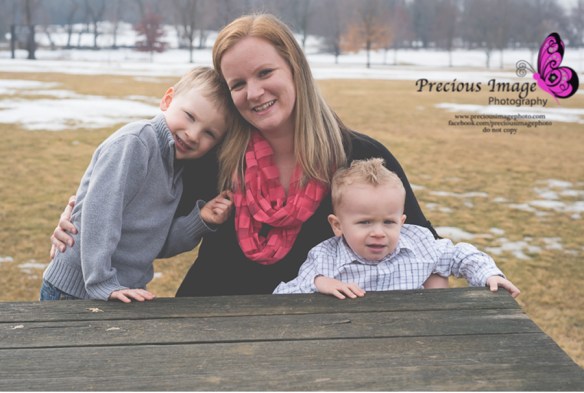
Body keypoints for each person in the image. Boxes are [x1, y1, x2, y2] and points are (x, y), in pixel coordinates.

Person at [50, 13, 447, 297]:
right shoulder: (213, 154)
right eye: (237, 83)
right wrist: (77, 217)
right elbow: (138, 211)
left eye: (264, 73)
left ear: (295, 68)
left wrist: (428, 319)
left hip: (321, 330)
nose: (253, 93)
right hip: (208, 324)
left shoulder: (360, 156)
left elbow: (426, 247)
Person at [42, 67, 233, 302]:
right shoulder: (136, 143)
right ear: (167, 100)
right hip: (76, 291)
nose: (193, 134)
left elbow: (153, 244)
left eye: (209, 134)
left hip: (120, 292)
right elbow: (99, 216)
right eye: (190, 116)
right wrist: (103, 283)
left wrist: (199, 220)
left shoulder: (176, 170)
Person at [274, 159, 520, 299]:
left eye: (389, 222)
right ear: (338, 226)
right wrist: (319, 282)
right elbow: (281, 296)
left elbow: (460, 255)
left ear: (401, 222)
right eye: (365, 222)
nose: (379, 232)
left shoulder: (418, 244)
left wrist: (489, 274)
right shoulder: (325, 258)